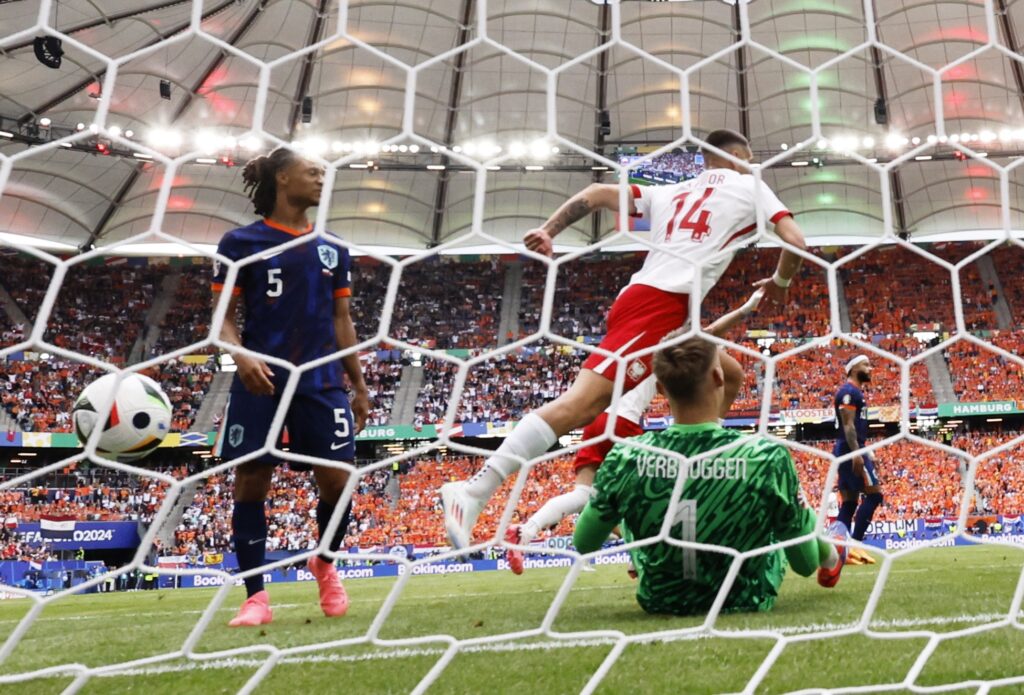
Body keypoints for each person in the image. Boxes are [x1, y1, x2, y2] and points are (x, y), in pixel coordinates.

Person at [442, 128, 807, 549]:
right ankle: (472, 492)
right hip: (659, 306)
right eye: (751, 158)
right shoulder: (751, 185)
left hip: (661, 306)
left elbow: (597, 192)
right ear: (739, 158)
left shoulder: (673, 192)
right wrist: (781, 280)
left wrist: (549, 229)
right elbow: (796, 240)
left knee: (727, 371)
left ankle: (704, 453)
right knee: (582, 404)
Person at [573, 335, 845, 616]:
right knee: (783, 505)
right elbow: (805, 563)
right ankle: (831, 551)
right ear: (718, 377)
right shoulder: (764, 455)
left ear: (660, 388)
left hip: (661, 601)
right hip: (747, 598)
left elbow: (584, 542)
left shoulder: (626, 457)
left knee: (630, 507)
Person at [212, 146, 370, 627]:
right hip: (262, 381)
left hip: (322, 381)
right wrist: (240, 356)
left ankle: (323, 559)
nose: (322, 179)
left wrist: (359, 384)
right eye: (312, 172)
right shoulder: (240, 242)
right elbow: (221, 321)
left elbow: (342, 320)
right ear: (283, 178)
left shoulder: (333, 247)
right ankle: (256, 596)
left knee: (339, 483)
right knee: (252, 481)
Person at [505, 288, 765, 574]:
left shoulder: (623, 342)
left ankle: (526, 532)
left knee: (584, 494)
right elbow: (709, 334)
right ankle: (642, 557)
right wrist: (744, 310)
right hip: (624, 422)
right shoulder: (664, 346)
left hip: (596, 420)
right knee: (644, 494)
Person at [833, 355, 881, 565]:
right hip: (849, 451)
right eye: (866, 365)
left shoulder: (855, 393)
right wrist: (857, 454)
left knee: (850, 502)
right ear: (853, 369)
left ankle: (841, 550)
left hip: (847, 450)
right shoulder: (849, 392)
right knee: (874, 496)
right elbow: (848, 426)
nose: (870, 369)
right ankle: (856, 546)